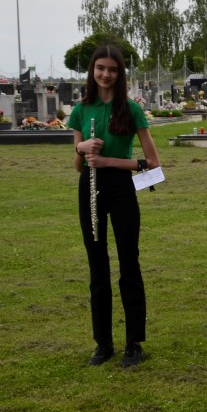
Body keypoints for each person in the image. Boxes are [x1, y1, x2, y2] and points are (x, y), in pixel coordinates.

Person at [69, 44, 161, 368]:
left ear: (119, 73)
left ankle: (133, 342)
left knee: (128, 263)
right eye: (100, 68)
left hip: (121, 186)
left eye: (112, 69)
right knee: (97, 266)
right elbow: (78, 166)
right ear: (92, 71)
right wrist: (81, 148)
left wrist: (109, 160)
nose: (105, 74)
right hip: (90, 186)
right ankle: (103, 342)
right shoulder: (81, 110)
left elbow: (153, 163)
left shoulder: (132, 110)